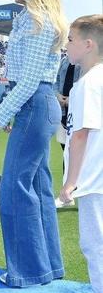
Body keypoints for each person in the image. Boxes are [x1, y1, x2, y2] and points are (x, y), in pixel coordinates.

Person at [0, 0, 68, 287]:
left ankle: (29, 272)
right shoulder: (33, 19)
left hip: (35, 103)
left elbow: (30, 79)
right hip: (33, 105)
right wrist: (10, 109)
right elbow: (25, 80)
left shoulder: (37, 21)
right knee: (38, 187)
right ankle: (47, 267)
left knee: (16, 190)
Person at [59, 15, 103, 293]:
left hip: (93, 178)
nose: (67, 45)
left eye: (71, 40)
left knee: (95, 244)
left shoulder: (87, 84)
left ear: (88, 45)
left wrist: (70, 183)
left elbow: (80, 135)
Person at [53, 55, 80, 208]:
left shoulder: (87, 60)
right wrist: (58, 96)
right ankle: (68, 194)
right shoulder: (63, 60)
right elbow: (55, 81)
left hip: (81, 110)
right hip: (64, 113)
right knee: (67, 153)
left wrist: (73, 97)